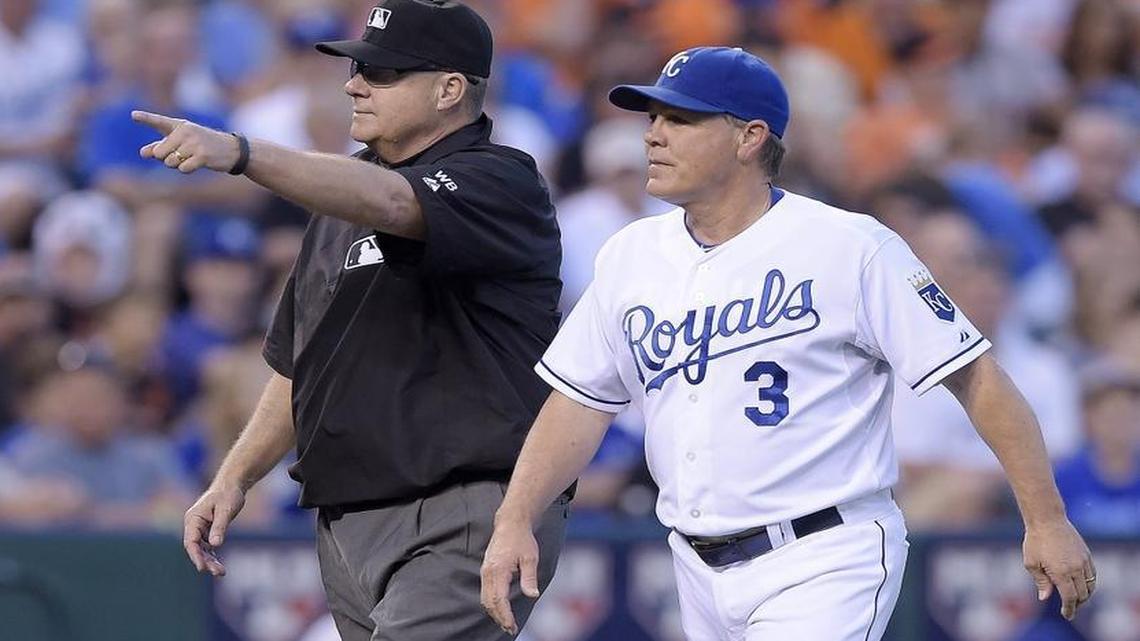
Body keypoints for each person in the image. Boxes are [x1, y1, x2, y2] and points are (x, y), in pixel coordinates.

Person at [480, 46, 1097, 640]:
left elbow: (978, 378)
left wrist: (1044, 518)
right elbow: (580, 403)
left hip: (824, 554)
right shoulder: (631, 252)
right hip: (694, 564)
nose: (653, 134)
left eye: (681, 118)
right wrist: (514, 520)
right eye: (654, 116)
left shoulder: (849, 245)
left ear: (750, 137)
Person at [133, 2, 568, 640]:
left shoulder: (501, 179)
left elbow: (397, 201)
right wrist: (234, 476)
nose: (354, 83)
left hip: (462, 507)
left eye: (383, 72)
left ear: (450, 89)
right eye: (358, 66)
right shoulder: (338, 201)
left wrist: (241, 153)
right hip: (349, 521)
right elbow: (297, 363)